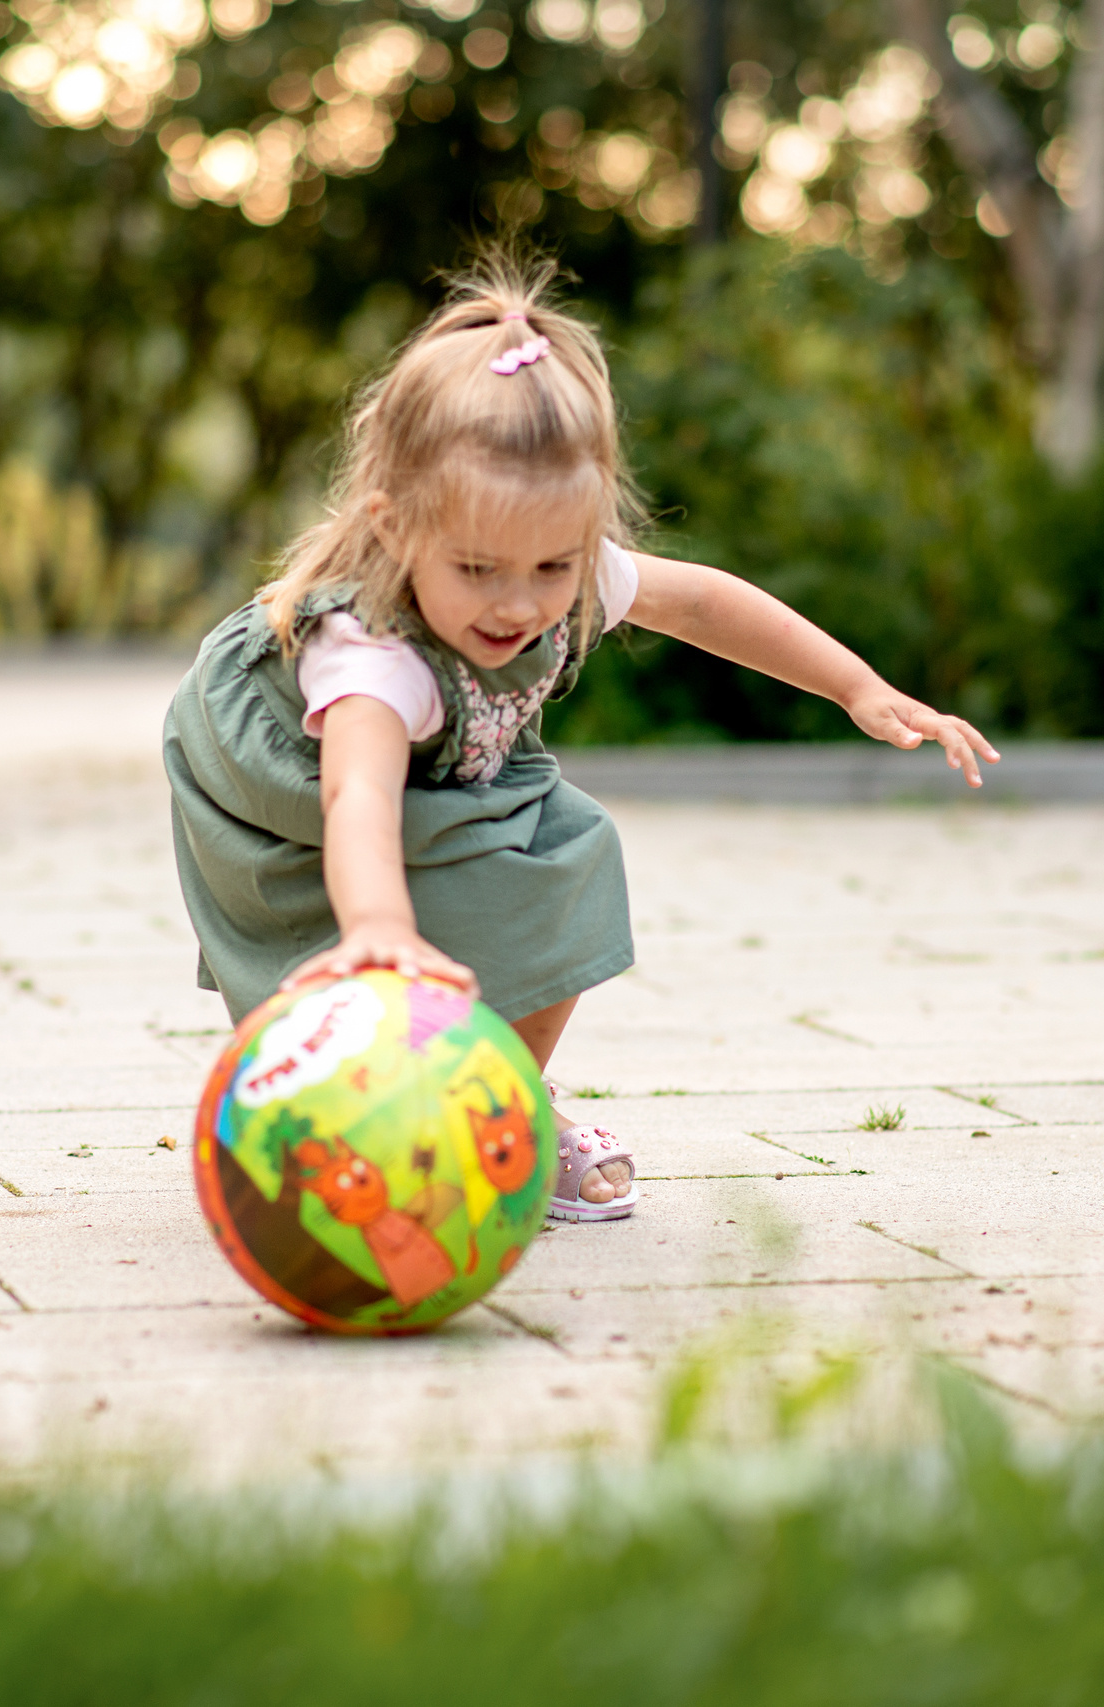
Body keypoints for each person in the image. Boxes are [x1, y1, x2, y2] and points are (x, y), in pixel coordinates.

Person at [163, 256, 998, 1224]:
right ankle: (359, 1107)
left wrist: (858, 688)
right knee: (376, 924)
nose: (517, 604)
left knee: (566, 852)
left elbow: (703, 600)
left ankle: (499, 1105)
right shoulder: (372, 658)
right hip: (288, 778)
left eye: (552, 566)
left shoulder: (553, 559)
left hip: (429, 765)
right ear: (395, 532)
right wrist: (380, 929)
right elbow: (356, 801)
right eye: (478, 569)